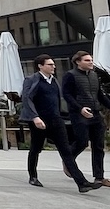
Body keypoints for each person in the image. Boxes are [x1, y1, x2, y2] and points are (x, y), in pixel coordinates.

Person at [21, 54, 94, 191]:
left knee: (66, 150)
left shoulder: (54, 81)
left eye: (53, 64)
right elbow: (26, 99)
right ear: (40, 66)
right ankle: (33, 176)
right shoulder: (31, 80)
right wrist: (35, 117)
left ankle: (82, 183)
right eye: (50, 64)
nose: (53, 66)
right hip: (39, 121)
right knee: (36, 149)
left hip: (56, 120)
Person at [62, 50, 110, 188]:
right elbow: (67, 95)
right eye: (87, 60)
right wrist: (80, 108)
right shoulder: (70, 76)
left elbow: (100, 95)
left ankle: (99, 177)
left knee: (98, 145)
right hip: (79, 114)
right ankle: (68, 159)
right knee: (82, 142)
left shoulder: (94, 76)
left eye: (91, 60)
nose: (91, 62)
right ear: (78, 62)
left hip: (95, 113)